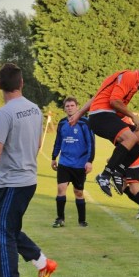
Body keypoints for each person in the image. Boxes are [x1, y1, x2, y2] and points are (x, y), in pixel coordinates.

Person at [0, 63, 57, 277]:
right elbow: (37, 144)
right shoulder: (34, 109)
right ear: (21, 83)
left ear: (0, 85)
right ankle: (43, 263)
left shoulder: (4, 114)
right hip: (28, 179)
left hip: (13, 182)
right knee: (5, 227)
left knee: (0, 229)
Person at [69, 65, 139, 197]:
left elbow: (96, 97)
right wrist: (132, 116)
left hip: (107, 116)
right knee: (130, 138)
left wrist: (78, 114)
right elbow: (114, 101)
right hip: (101, 116)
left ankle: (118, 170)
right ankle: (105, 175)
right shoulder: (130, 77)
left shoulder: (131, 82)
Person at [50, 97, 95, 228]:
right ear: (64, 108)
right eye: (67, 106)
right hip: (64, 162)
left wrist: (89, 161)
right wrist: (54, 157)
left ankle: (82, 220)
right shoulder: (62, 123)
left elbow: (91, 143)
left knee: (78, 192)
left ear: (77, 107)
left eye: (72, 105)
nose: (69, 108)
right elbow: (58, 141)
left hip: (80, 163)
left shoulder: (85, 123)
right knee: (61, 189)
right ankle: (60, 219)